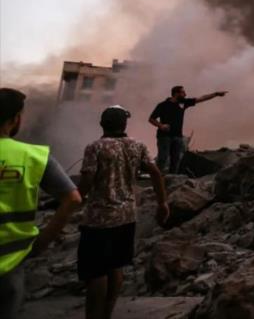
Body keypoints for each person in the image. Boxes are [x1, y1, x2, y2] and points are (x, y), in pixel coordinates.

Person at [78, 105, 168, 319]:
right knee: (116, 266)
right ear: (124, 124)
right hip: (127, 216)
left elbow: (87, 181)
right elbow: (156, 173)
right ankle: (107, 314)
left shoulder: (95, 147)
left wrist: (74, 199)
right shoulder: (137, 146)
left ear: (102, 123)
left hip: (99, 219)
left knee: (96, 272)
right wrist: (163, 202)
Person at [0, 88, 81, 319]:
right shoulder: (33, 156)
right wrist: (42, 242)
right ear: (16, 118)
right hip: (10, 262)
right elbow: (73, 199)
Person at [148, 86, 227, 173]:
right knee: (163, 159)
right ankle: (156, 181)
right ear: (176, 93)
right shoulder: (163, 105)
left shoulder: (183, 103)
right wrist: (161, 126)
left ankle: (170, 181)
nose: (185, 94)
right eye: (183, 92)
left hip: (178, 137)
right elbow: (151, 119)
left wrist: (216, 94)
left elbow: (201, 98)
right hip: (164, 137)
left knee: (176, 160)